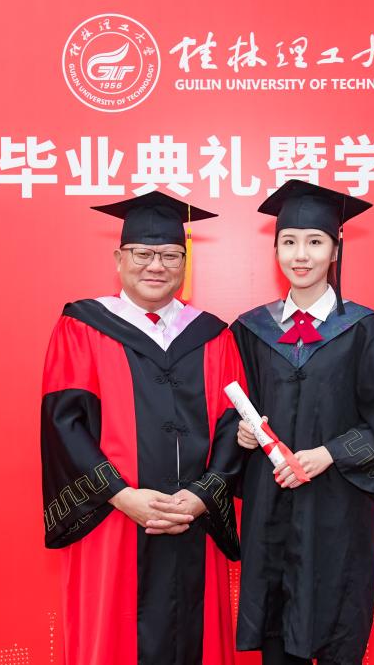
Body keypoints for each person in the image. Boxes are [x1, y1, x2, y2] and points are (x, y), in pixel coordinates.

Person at [40, 191, 246, 665]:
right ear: (119, 259)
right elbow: (64, 424)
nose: (156, 266)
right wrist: (121, 495)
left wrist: (203, 495)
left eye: (170, 255)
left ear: (184, 263)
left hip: (193, 519)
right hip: (114, 519)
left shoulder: (213, 335)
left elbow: (234, 422)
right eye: (142, 254)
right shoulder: (82, 326)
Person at [231, 180, 374, 665]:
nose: (301, 255)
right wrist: (241, 433)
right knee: (277, 628)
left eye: (315, 241)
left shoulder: (365, 329)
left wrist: (329, 453)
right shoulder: (250, 330)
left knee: (337, 622)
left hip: (337, 507)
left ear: (336, 249)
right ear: (275, 249)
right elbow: (229, 410)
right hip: (271, 505)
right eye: (289, 242)